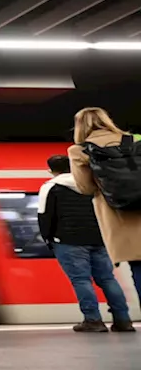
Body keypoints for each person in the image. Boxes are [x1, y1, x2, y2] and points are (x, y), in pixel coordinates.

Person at [38, 154, 132, 333]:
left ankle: (93, 320)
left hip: (68, 241)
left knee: (81, 280)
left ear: (51, 170)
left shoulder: (51, 187)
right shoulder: (93, 184)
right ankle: (123, 320)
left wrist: (48, 239)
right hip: (99, 239)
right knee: (107, 278)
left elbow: (44, 216)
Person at [68, 107, 141, 323]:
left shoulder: (79, 150)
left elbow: (85, 188)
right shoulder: (135, 140)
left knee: (138, 265)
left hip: (120, 215)